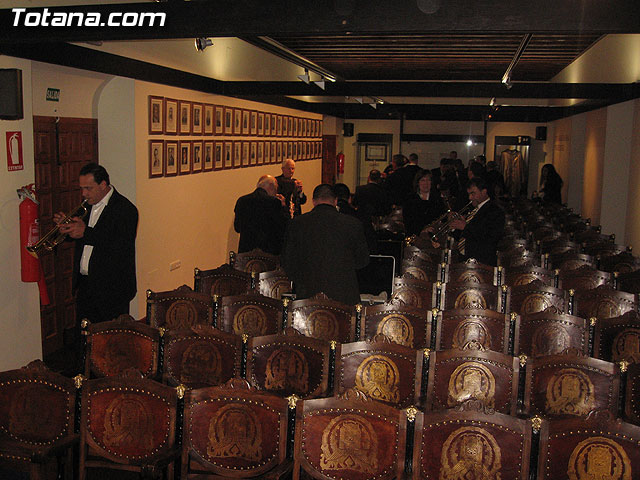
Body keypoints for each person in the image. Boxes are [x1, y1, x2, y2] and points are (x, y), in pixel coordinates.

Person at [55, 163, 138, 326]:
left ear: (103, 185)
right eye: (82, 188)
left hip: (112, 289)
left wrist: (85, 232)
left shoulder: (125, 209)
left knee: (110, 342)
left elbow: (120, 244)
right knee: (85, 339)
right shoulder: (85, 206)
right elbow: (81, 237)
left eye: (88, 188)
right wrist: (67, 229)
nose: (84, 194)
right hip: (86, 286)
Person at [282, 184, 370, 305]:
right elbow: (363, 261)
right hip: (344, 295)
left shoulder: (297, 224)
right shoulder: (353, 224)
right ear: (335, 201)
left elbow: (288, 262)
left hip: (307, 295)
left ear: (313, 201)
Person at [449, 177, 505, 266]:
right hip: (466, 257)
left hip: (481, 261)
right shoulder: (475, 209)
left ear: (484, 192)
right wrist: (456, 226)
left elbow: (489, 236)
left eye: (473, 193)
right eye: (469, 194)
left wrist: (465, 226)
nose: (470, 197)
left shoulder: (495, 211)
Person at [234, 175, 289, 255]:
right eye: (276, 189)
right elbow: (284, 226)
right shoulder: (274, 202)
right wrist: (283, 206)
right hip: (269, 252)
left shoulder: (242, 200)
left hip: (246, 251)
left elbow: (237, 228)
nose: (276, 193)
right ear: (271, 187)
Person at [402, 170, 446, 237]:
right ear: (418, 183)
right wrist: (422, 230)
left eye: (428, 180)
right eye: (423, 180)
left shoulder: (437, 198)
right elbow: (408, 221)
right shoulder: (410, 199)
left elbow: (442, 217)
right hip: (416, 235)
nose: (426, 183)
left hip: (435, 234)